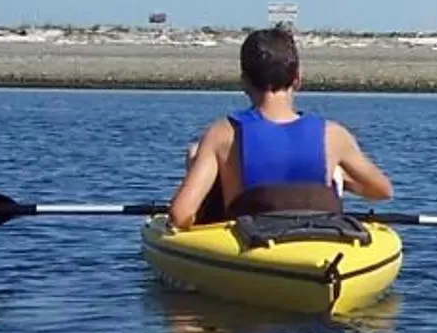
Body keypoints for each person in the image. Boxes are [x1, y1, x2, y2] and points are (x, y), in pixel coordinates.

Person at [167, 26, 393, 230]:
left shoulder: (224, 133)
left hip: (250, 244)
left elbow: (180, 214)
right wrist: (337, 177)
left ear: (244, 81)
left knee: (195, 154)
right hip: (320, 239)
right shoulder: (333, 135)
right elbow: (382, 191)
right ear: (297, 79)